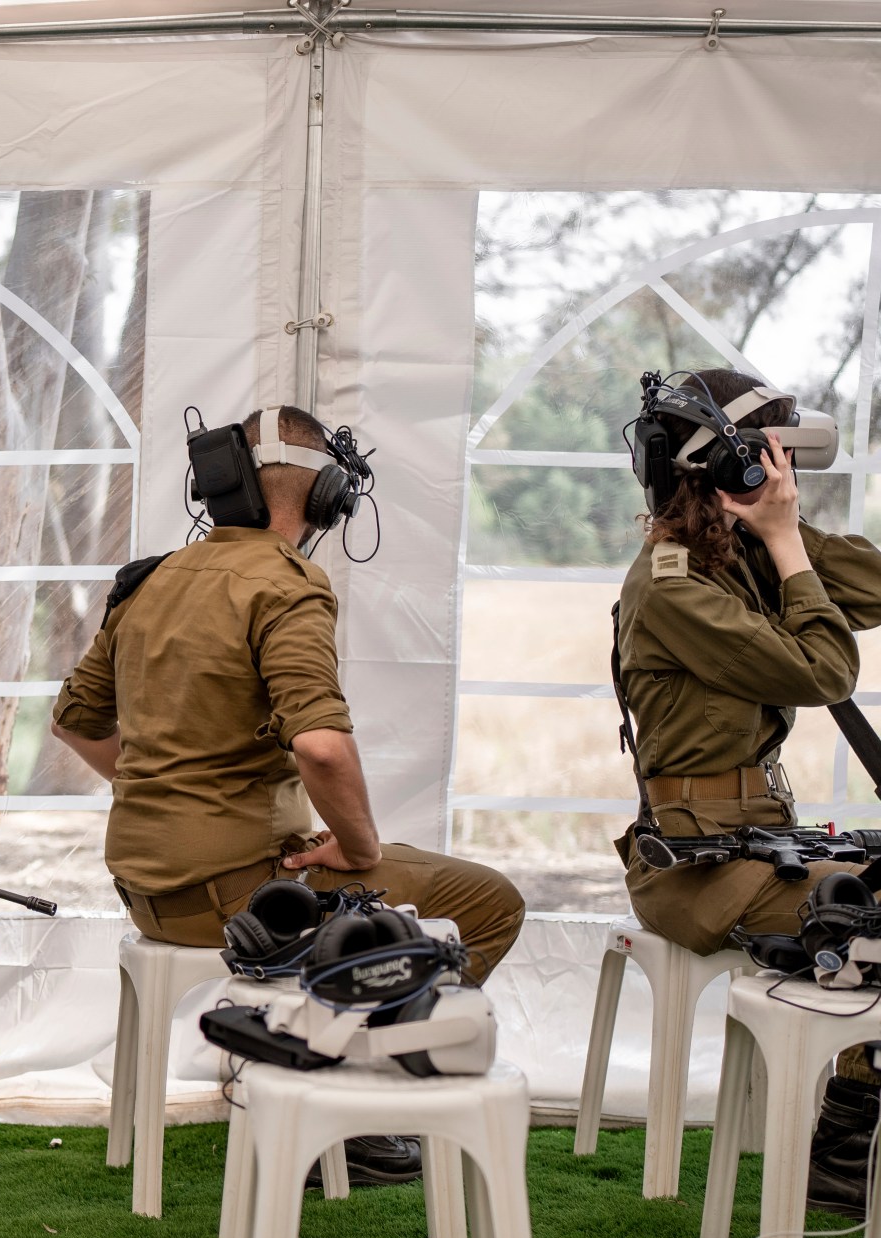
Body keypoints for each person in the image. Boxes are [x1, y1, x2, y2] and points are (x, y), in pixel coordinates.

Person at [612, 367, 881, 1224]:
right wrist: (782, 542)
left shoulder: (730, 556)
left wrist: (775, 524)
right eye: (773, 453)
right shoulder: (674, 586)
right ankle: (846, 1157)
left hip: (760, 839)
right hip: (695, 862)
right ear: (731, 461)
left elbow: (879, 593)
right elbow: (825, 670)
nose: (789, 472)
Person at [50, 405, 527, 1187]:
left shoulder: (153, 579)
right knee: (489, 901)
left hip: (144, 895)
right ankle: (359, 1115)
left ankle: (310, 1068)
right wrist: (363, 850)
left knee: (370, 878)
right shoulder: (289, 582)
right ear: (328, 494)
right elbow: (321, 745)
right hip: (238, 896)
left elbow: (74, 722)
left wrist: (158, 788)